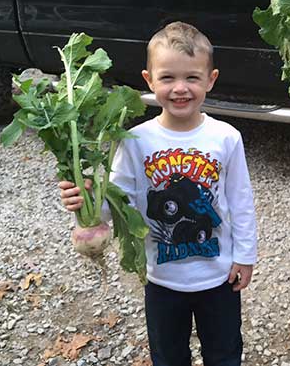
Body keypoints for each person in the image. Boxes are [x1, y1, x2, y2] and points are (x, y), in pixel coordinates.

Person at [59, 22, 258, 366]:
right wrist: (88, 201)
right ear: (149, 80)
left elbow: (240, 202)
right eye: (167, 78)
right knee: (167, 356)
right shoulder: (136, 140)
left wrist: (245, 255)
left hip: (218, 277)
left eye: (192, 78)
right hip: (161, 279)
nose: (180, 88)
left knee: (225, 352)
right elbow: (118, 203)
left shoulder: (226, 137)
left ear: (211, 79)